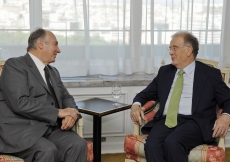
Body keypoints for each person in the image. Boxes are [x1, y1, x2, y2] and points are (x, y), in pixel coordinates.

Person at [130, 31, 230, 162]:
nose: (171, 52)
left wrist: (225, 116)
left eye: (174, 48)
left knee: (173, 143)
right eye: (170, 48)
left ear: (189, 50)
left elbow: (228, 99)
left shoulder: (210, 74)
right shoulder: (165, 72)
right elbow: (145, 94)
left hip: (195, 122)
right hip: (166, 121)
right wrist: (136, 106)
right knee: (152, 145)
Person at [0, 28, 87, 162]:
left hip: (49, 129)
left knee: (78, 144)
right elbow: (20, 102)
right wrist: (58, 112)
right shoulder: (15, 65)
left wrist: (72, 114)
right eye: (55, 44)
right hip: (22, 130)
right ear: (40, 44)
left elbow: (66, 97)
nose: (59, 50)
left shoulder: (53, 72)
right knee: (47, 150)